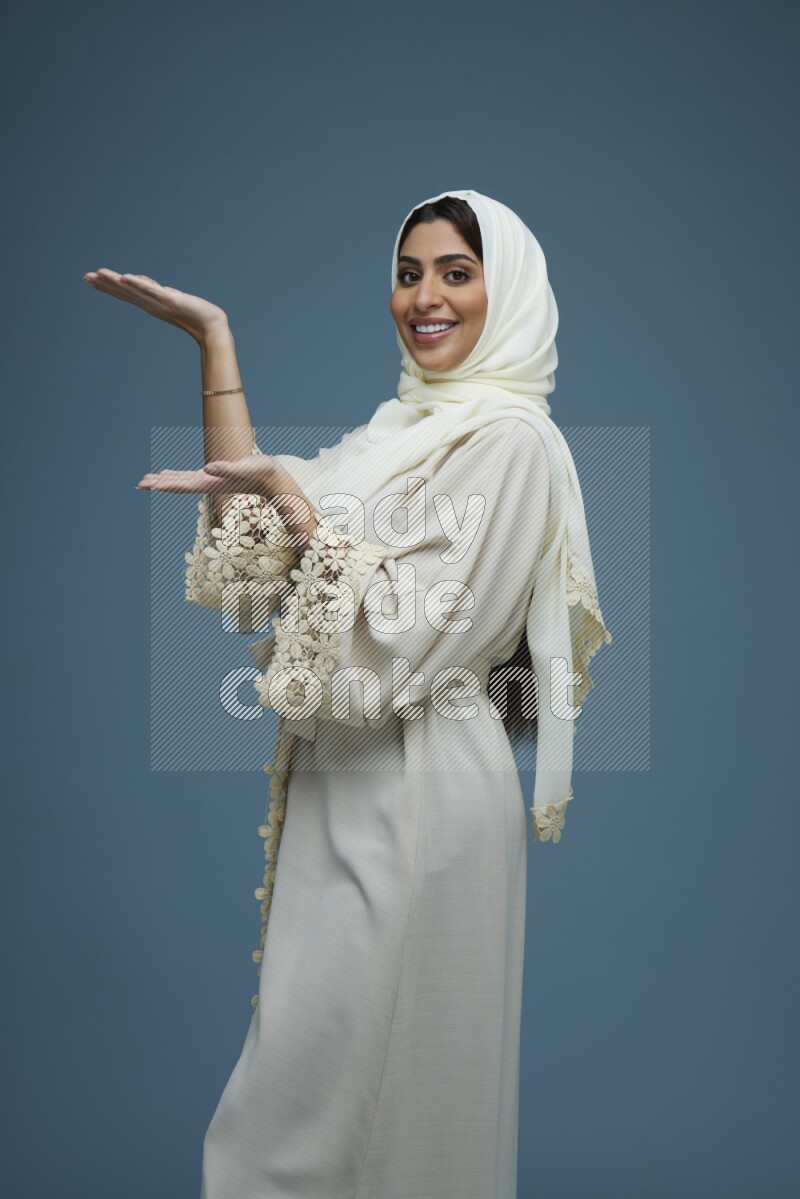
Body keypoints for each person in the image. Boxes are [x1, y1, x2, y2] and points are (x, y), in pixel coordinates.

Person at [85, 188, 611, 1199]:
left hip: (422, 785)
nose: (424, 296)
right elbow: (256, 543)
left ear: (507, 292)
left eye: (456, 272)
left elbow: (412, 634)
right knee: (327, 1090)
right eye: (408, 272)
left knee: (352, 1100)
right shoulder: (394, 435)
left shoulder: (510, 443)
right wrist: (215, 342)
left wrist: (293, 505)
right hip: (347, 781)